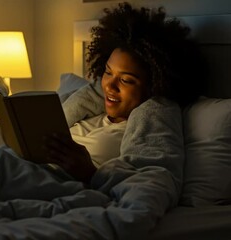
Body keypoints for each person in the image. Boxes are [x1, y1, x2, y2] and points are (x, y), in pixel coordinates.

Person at [44, 2, 206, 183]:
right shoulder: (89, 111)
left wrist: (90, 173)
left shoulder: (142, 128)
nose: (109, 86)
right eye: (107, 72)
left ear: (154, 85)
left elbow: (145, 184)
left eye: (126, 80)